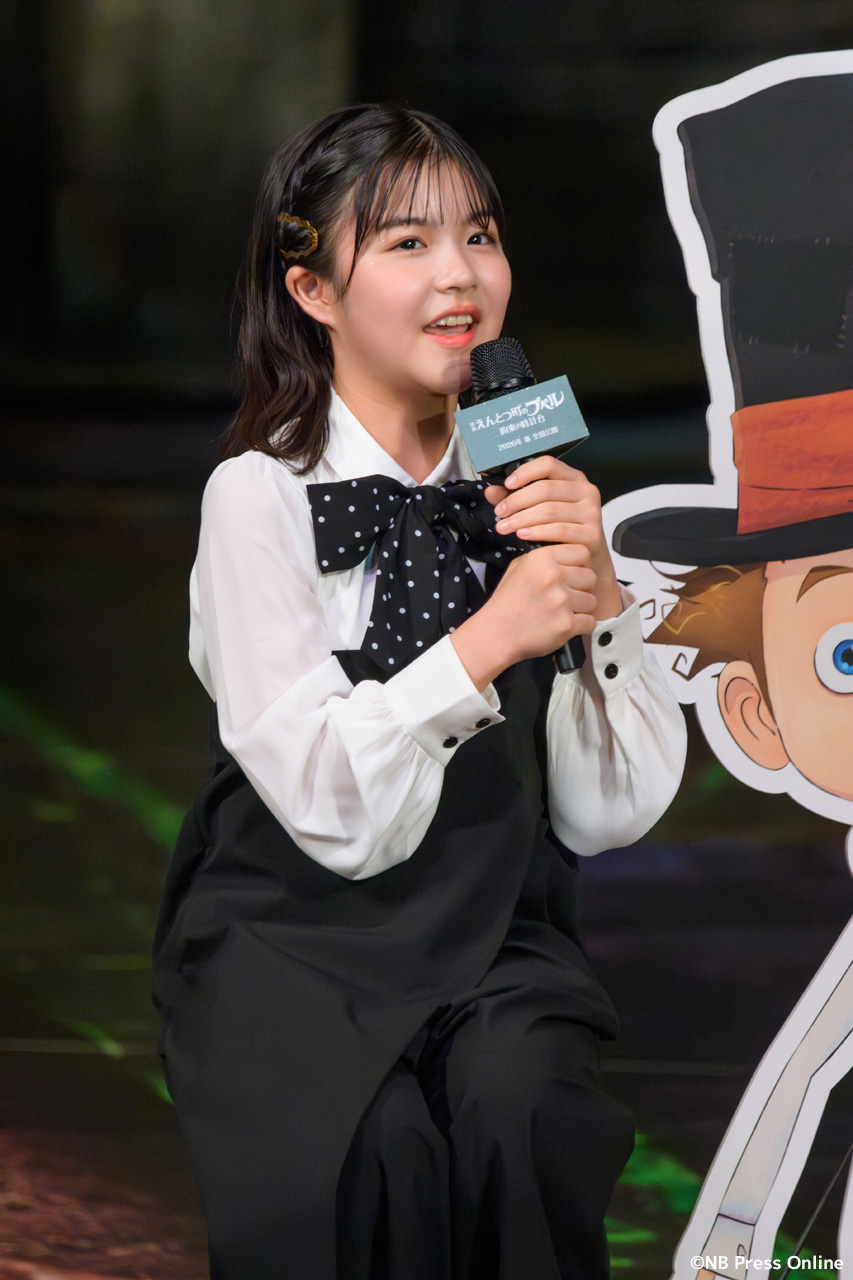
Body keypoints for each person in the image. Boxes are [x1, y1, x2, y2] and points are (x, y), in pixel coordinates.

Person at [152, 101, 687, 1280]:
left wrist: (596, 601)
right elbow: (332, 818)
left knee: (522, 1106)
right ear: (312, 290)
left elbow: (606, 816)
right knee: (372, 1153)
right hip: (291, 932)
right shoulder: (258, 497)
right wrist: (487, 640)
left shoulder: (534, 491)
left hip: (495, 928)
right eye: (407, 242)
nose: (460, 274)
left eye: (480, 235)